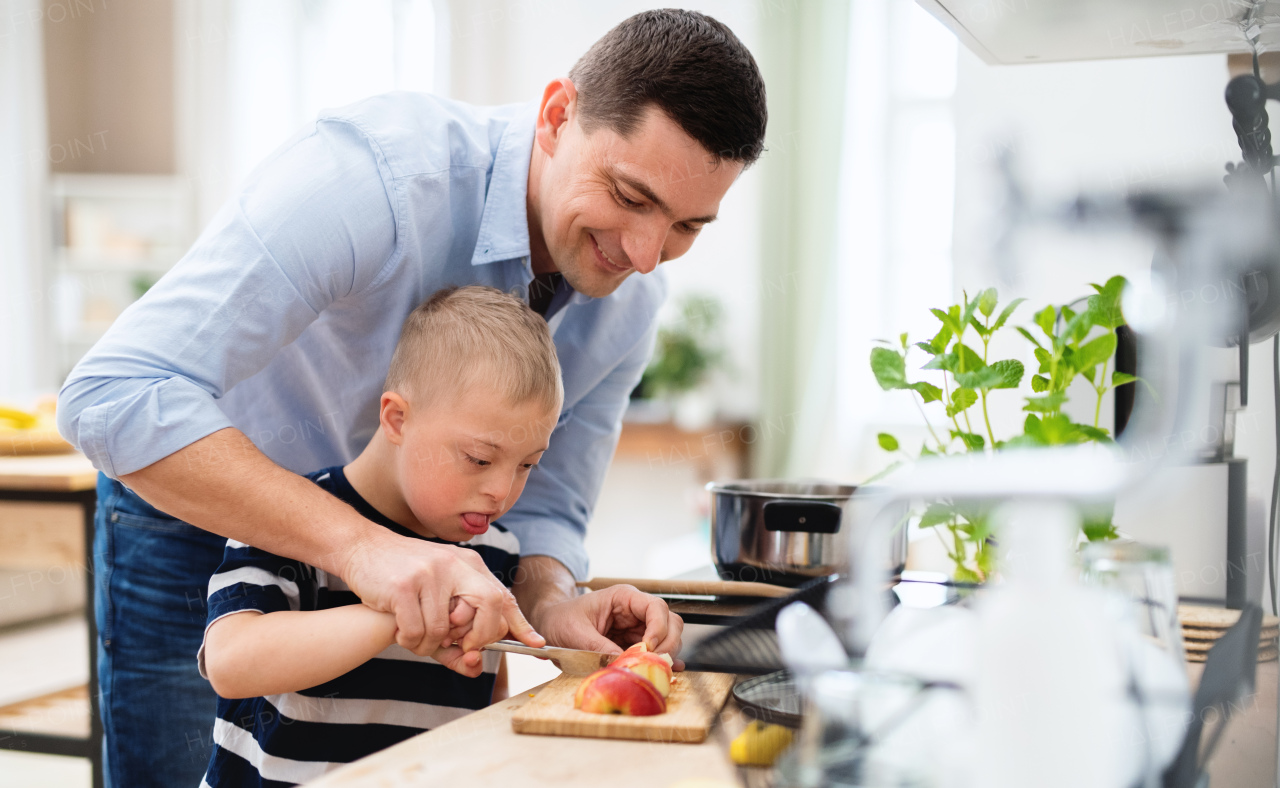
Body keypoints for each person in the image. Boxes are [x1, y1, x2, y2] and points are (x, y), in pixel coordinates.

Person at [57, 9, 767, 786]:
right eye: (629, 196)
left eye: (686, 227)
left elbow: (549, 510)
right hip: (204, 518)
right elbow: (112, 394)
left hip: (415, 581)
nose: (644, 254)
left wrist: (553, 599)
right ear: (558, 116)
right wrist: (365, 550)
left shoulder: (628, 307)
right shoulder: (373, 182)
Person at [199, 286, 563, 786]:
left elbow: (486, 705)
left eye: (527, 465)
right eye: (479, 459)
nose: (501, 491)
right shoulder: (294, 524)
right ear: (397, 418)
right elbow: (232, 662)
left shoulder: (492, 554)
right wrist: (401, 614)